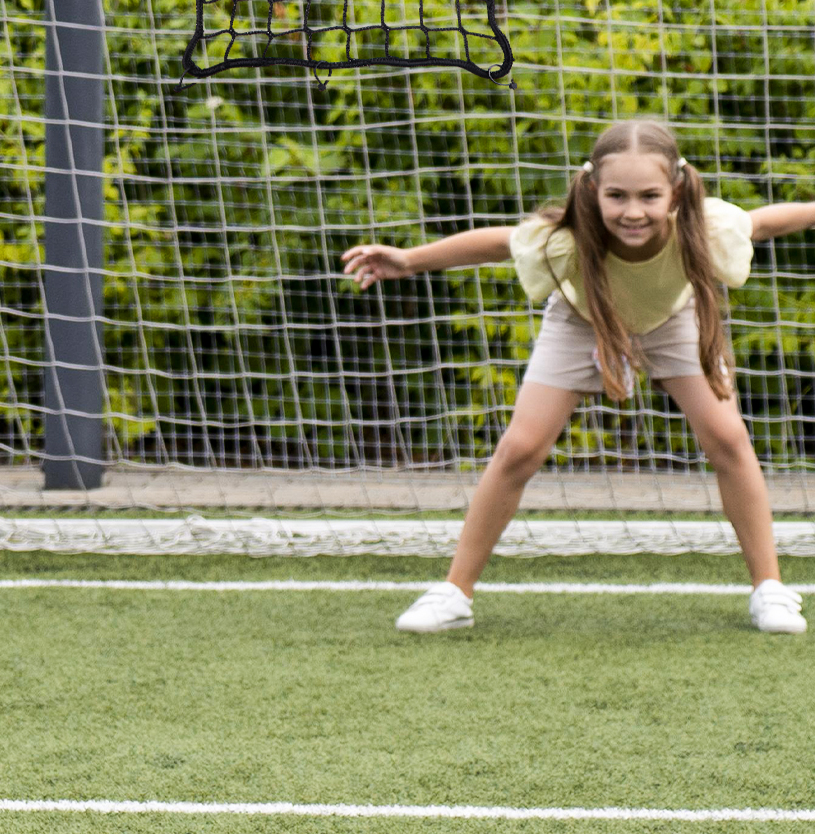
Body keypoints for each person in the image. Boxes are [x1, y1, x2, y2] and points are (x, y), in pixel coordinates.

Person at [341, 118, 815, 635]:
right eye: (617, 196)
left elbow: (764, 222)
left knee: (728, 439)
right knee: (520, 448)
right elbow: (500, 242)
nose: (633, 211)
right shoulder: (567, 238)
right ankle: (453, 593)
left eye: (649, 196)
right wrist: (409, 260)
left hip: (674, 320)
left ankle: (769, 589)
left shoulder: (706, 226)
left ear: (676, 191)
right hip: (581, 319)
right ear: (592, 190)